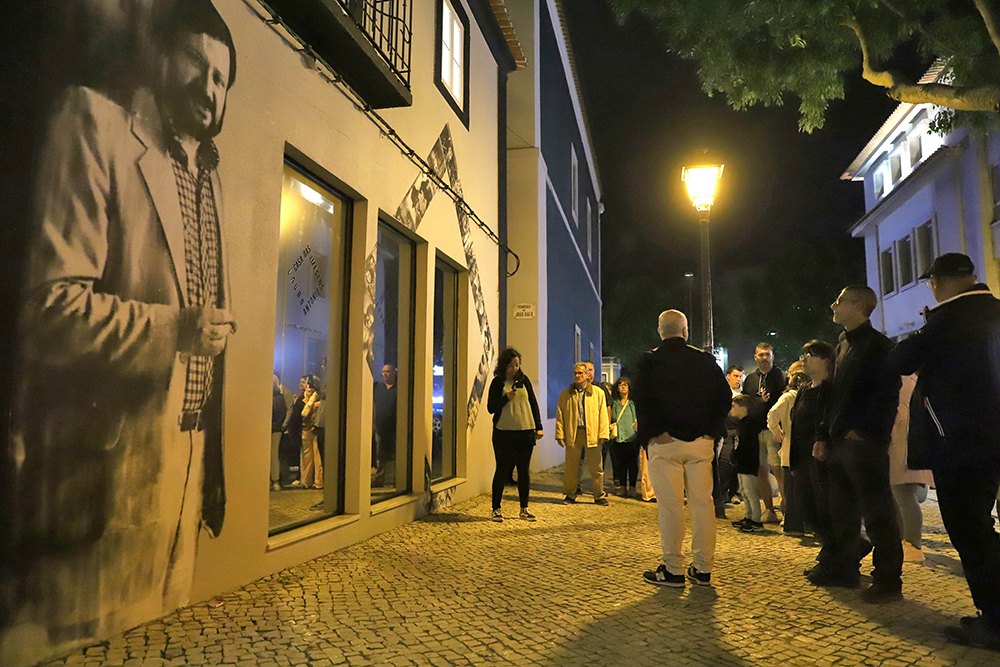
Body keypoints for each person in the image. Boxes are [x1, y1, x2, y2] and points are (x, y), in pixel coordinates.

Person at [6, 0, 237, 644]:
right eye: (198, 63)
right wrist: (175, 331)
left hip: (187, 467)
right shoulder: (93, 122)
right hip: (104, 469)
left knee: (162, 637)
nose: (209, 88)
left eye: (222, 79)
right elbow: (47, 309)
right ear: (160, 55)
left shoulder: (210, 178)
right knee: (85, 640)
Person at [889, 253, 1000, 649]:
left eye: (932, 282)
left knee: (969, 528)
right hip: (986, 438)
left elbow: (901, 359)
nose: (931, 289)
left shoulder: (949, 318)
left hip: (959, 441)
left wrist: (926, 324)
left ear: (949, 280)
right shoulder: (994, 310)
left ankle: (995, 621)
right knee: (980, 525)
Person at [809, 286, 903, 604]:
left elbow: (886, 395)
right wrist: (824, 434)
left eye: (840, 301)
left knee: (878, 514)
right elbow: (832, 394)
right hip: (839, 441)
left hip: (863, 443)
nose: (833, 305)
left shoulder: (879, 347)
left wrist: (866, 432)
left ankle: (888, 580)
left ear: (860, 306)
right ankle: (844, 568)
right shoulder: (843, 343)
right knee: (842, 512)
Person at [633, 310, 732, 587]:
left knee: (670, 507)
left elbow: (641, 399)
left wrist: (654, 432)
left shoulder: (650, 361)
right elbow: (724, 399)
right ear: (685, 331)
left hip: (665, 443)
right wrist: (711, 430)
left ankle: (673, 568)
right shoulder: (704, 361)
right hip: (700, 442)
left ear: (660, 330)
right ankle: (702, 568)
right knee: (703, 505)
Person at [487, 347, 543, 522]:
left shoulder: (524, 381)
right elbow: (491, 408)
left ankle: (524, 509)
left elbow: (533, 404)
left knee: (523, 471)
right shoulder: (497, 383)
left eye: (517, 365)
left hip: (525, 432)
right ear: (504, 366)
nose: (515, 368)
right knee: (502, 470)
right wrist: (506, 399)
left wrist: (538, 427)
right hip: (504, 433)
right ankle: (496, 508)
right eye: (511, 365)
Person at [790, 341, 836, 550]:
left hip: (823, 457)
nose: (804, 360)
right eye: (803, 355)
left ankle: (835, 551)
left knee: (825, 508)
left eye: (810, 355)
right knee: (806, 507)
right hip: (802, 457)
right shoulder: (804, 389)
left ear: (826, 360)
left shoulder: (832, 389)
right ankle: (833, 548)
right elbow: (794, 425)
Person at [888, 374, 932, 563]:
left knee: (904, 495)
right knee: (900, 495)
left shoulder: (904, 381)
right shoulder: (916, 379)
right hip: (910, 444)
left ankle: (913, 545)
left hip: (905, 446)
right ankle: (905, 541)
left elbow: (899, 414)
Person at [742, 344, 787, 523]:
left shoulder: (780, 376)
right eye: (761, 355)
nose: (764, 358)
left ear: (772, 356)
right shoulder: (750, 379)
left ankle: (787, 508)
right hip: (755, 429)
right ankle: (769, 510)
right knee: (761, 470)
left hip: (773, 430)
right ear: (755, 357)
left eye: (767, 354)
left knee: (778, 469)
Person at [555, 363, 610, 505]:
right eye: (576, 373)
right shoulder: (566, 394)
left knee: (596, 467)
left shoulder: (598, 393)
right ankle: (570, 495)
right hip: (573, 433)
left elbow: (603, 414)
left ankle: (599, 495)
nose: (578, 376)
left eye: (581, 373)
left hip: (592, 433)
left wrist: (603, 433)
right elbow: (560, 415)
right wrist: (560, 434)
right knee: (571, 467)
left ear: (587, 375)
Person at [768, 365, 809, 535]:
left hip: (797, 448)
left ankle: (800, 522)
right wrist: (777, 432)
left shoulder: (794, 397)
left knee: (797, 487)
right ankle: (793, 524)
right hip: (791, 447)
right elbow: (772, 414)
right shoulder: (789, 398)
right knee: (792, 488)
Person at [730, 394, 769, 534]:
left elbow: (746, 445)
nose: (731, 409)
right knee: (744, 491)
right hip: (743, 461)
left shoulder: (749, 424)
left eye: (734, 406)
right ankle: (749, 516)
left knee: (750, 491)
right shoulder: (743, 423)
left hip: (748, 462)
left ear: (742, 408)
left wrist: (738, 455)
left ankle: (756, 520)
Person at [610, 377, 639, 498]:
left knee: (632, 463)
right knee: (620, 463)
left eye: (625, 385)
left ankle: (632, 486)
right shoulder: (614, 403)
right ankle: (622, 486)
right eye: (620, 385)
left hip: (632, 437)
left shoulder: (632, 403)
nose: (623, 387)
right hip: (618, 437)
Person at [372, 364, 397, 487]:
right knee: (380, 454)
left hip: (394, 428)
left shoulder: (399, 389)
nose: (385, 374)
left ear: (394, 373)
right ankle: (379, 478)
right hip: (380, 427)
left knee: (394, 455)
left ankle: (394, 479)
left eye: (388, 371)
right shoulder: (378, 388)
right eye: (383, 371)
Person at [300, 377, 323, 490]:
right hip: (306, 429)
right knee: (306, 457)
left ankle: (318, 482)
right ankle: (306, 481)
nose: (309, 387)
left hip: (315, 429)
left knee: (317, 457)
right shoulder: (304, 399)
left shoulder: (319, 400)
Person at [271, 376, 288, 491]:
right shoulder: (279, 396)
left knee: (273, 454)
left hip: (275, 428)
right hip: (274, 428)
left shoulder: (279, 397)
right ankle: (274, 480)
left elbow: (281, 412)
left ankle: (275, 479)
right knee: (273, 454)